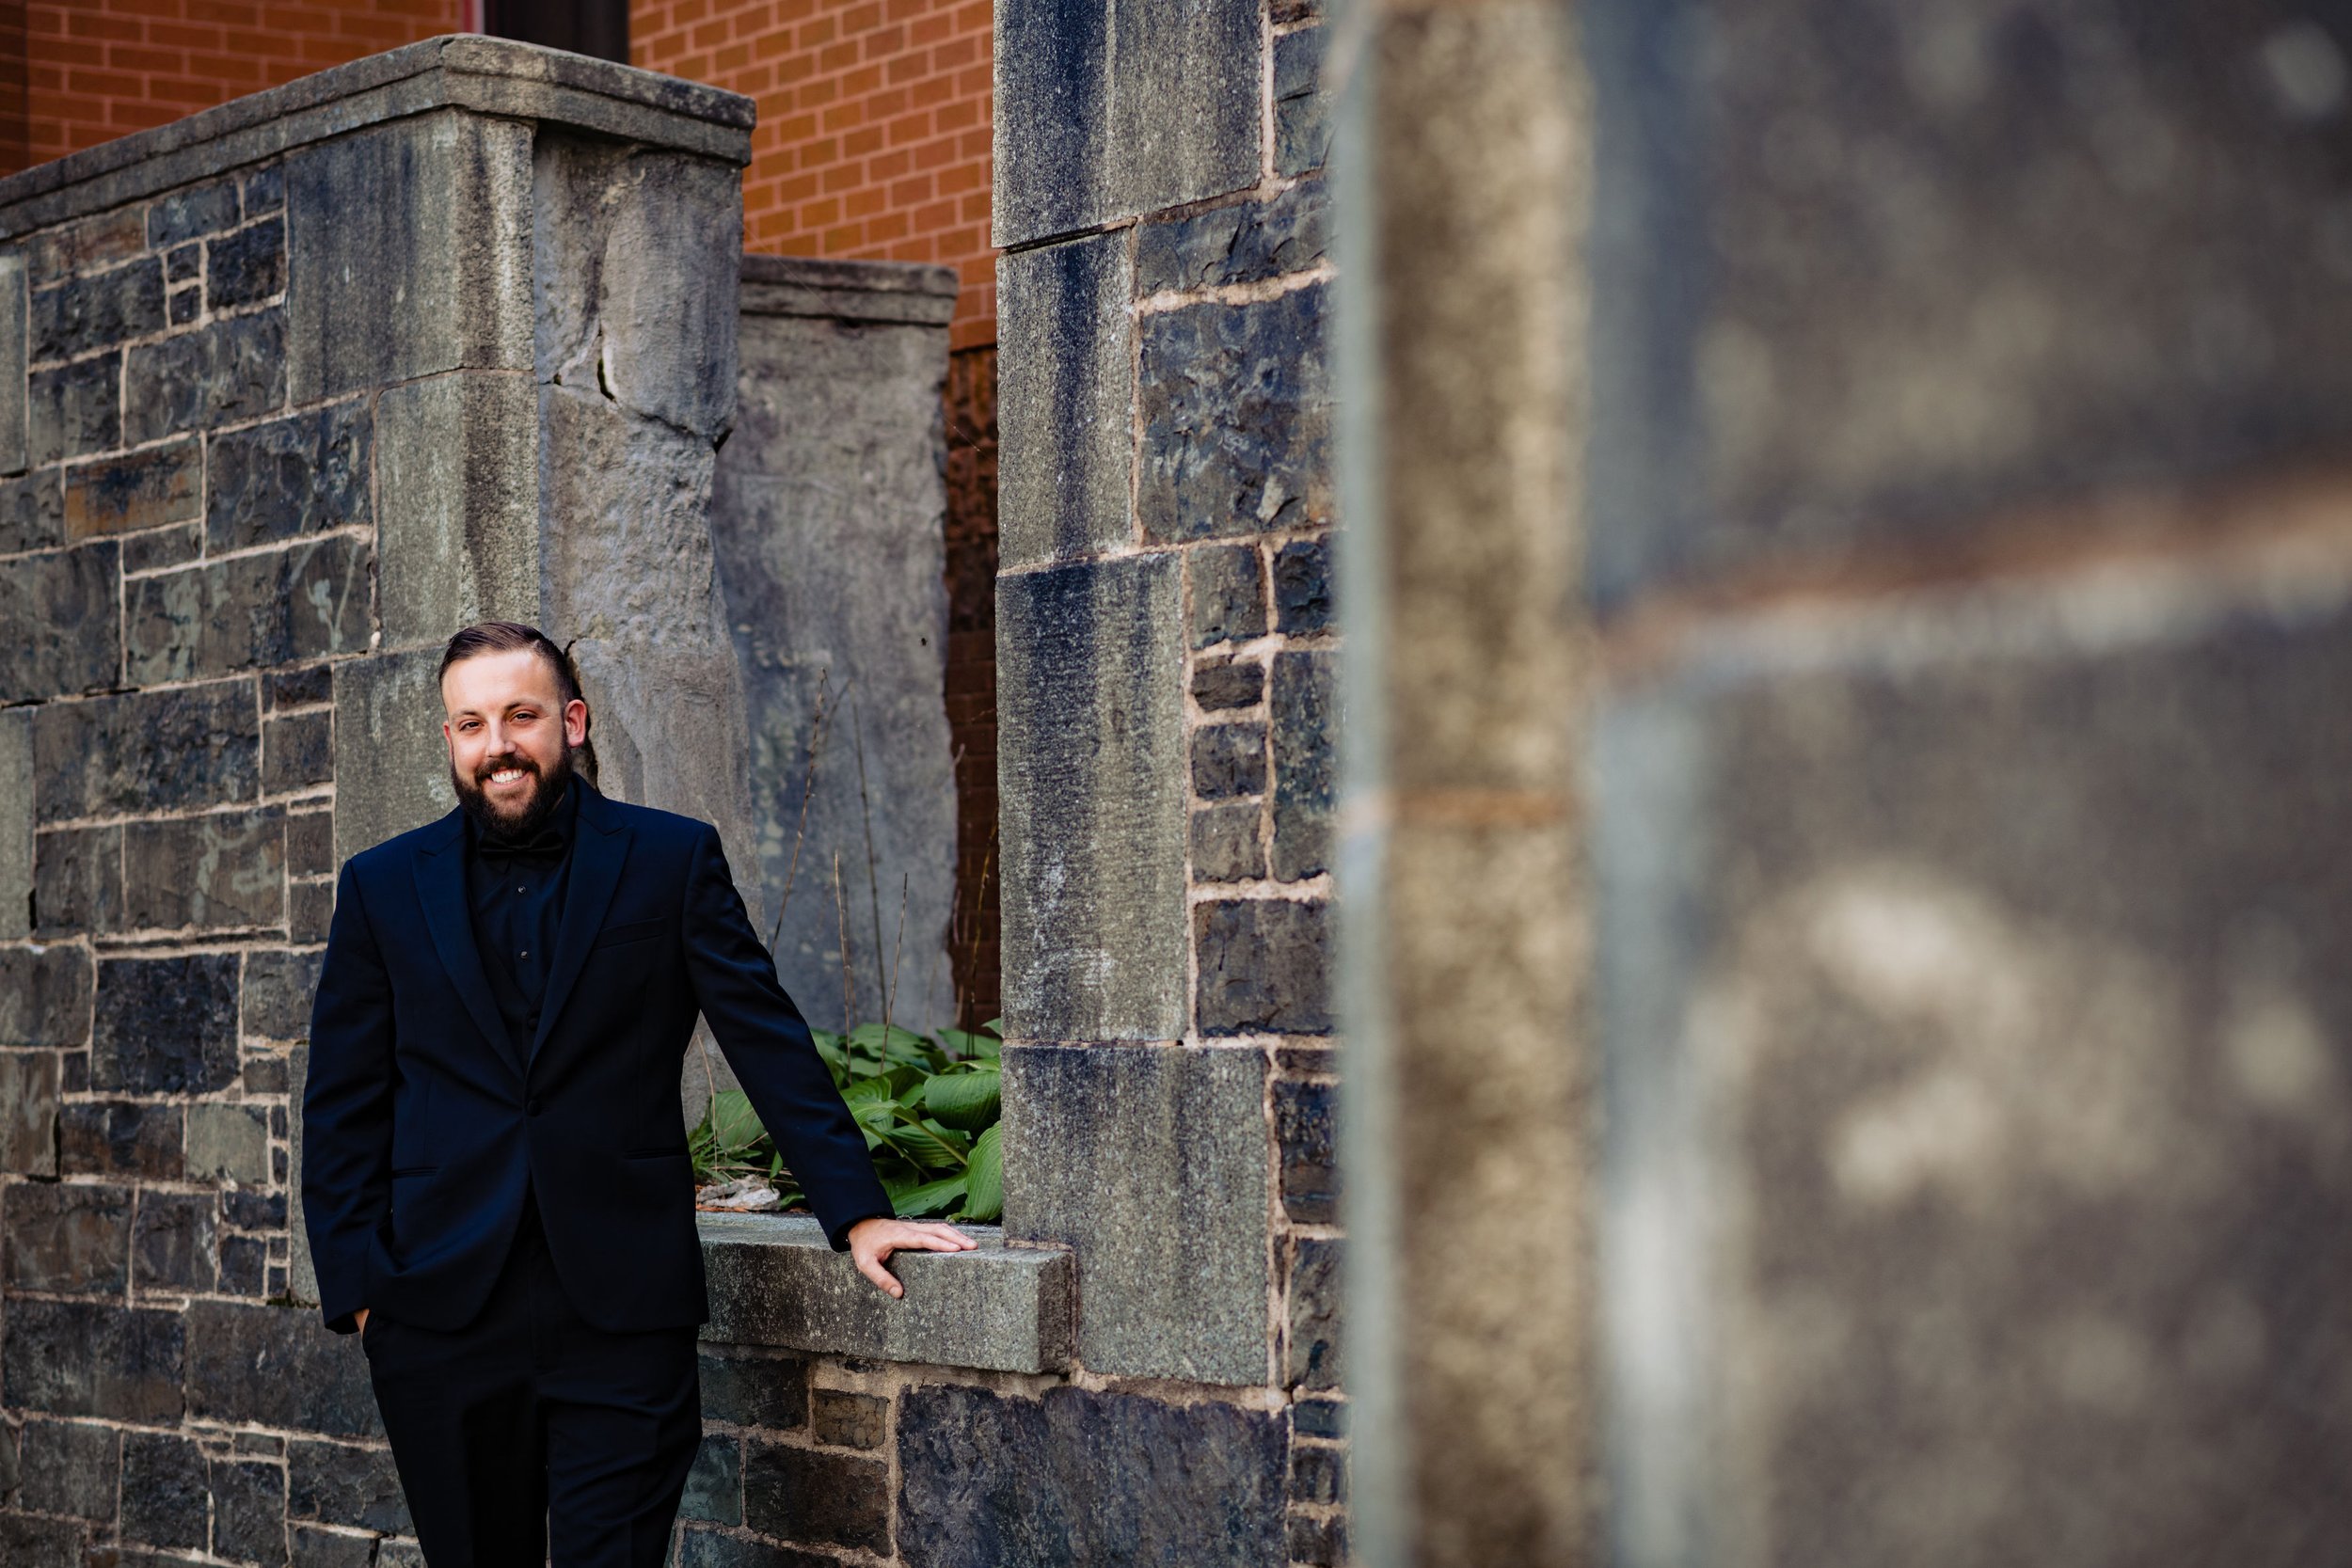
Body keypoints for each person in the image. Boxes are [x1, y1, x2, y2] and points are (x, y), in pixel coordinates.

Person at [301, 620, 975, 1566]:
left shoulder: (669, 858)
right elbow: (342, 1102)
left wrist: (856, 1211)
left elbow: (766, 1037)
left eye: (520, 715)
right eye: (470, 723)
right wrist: (364, 1292)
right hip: (439, 1316)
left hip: (621, 1314)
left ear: (571, 722)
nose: (496, 745)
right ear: (450, 738)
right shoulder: (379, 887)